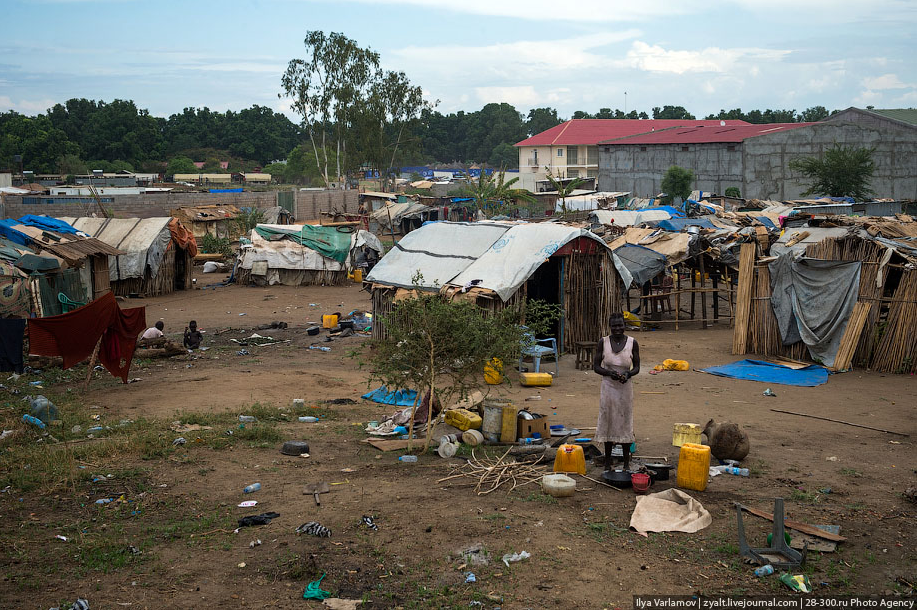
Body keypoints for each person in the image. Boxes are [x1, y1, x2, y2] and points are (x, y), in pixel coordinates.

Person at [593, 312, 641, 472]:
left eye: (620, 325)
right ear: (610, 327)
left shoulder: (633, 343)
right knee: (608, 421)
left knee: (625, 422)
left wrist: (628, 374)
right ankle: (608, 462)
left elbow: (637, 367)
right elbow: (596, 366)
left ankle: (626, 464)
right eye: (614, 326)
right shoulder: (603, 342)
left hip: (625, 389)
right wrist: (610, 373)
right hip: (608, 388)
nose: (618, 328)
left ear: (624, 325)